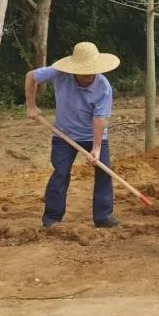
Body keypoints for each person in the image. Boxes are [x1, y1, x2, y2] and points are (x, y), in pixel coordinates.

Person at [24, 42, 120, 229]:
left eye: (92, 71)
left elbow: (99, 119)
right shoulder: (60, 73)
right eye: (84, 72)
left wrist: (96, 148)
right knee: (60, 173)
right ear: (74, 69)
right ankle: (52, 219)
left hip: (94, 135)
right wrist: (31, 105)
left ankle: (103, 217)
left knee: (104, 172)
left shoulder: (103, 87)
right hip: (64, 134)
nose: (88, 75)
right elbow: (31, 76)